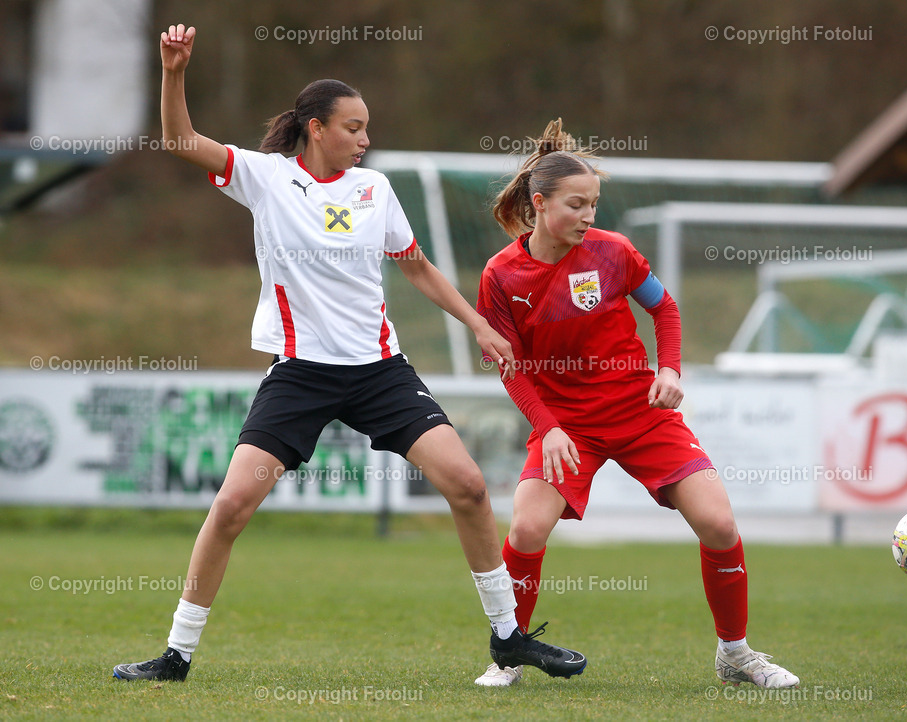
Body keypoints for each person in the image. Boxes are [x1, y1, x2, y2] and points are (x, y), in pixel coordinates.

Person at [112, 25, 586, 683]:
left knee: (471, 487)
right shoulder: (265, 176)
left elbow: (416, 268)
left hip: (379, 373)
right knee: (231, 508)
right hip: (301, 374)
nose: (365, 139)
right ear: (316, 128)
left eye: (367, 128)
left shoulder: (375, 190)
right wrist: (173, 72)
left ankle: (508, 637)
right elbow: (178, 141)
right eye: (353, 127)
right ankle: (176, 655)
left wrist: (478, 324)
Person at [472, 119, 800, 689]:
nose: (588, 216)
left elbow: (665, 308)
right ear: (540, 203)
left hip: (639, 412)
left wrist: (670, 368)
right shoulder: (501, 276)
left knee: (719, 523)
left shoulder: (613, 252)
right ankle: (509, 658)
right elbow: (510, 367)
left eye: (594, 204)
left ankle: (736, 654)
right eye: (577, 205)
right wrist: (547, 426)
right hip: (566, 426)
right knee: (525, 530)